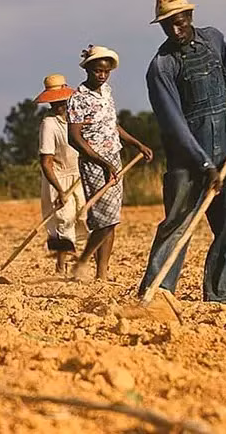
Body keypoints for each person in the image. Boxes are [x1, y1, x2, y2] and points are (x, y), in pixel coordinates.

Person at [138, 0, 226, 303]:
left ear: (189, 15)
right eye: (168, 25)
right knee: (178, 223)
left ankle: (222, 293)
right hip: (186, 158)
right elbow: (173, 124)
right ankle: (157, 294)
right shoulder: (161, 67)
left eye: (180, 20)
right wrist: (203, 164)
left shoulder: (213, 40)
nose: (176, 29)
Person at [67, 46, 154, 280]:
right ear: (87, 70)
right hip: (94, 163)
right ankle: (84, 261)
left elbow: (111, 125)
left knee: (112, 219)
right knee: (104, 219)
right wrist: (102, 162)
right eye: (97, 71)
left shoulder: (107, 92)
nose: (102, 75)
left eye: (106, 72)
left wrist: (136, 143)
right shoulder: (79, 98)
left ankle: (101, 273)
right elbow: (74, 137)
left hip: (114, 157)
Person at [35, 74, 88, 274]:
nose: (60, 105)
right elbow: (46, 162)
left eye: (62, 100)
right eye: (55, 101)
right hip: (58, 178)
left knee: (85, 217)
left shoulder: (77, 118)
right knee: (63, 221)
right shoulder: (49, 124)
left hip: (79, 175)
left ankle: (81, 264)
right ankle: (61, 267)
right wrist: (60, 190)